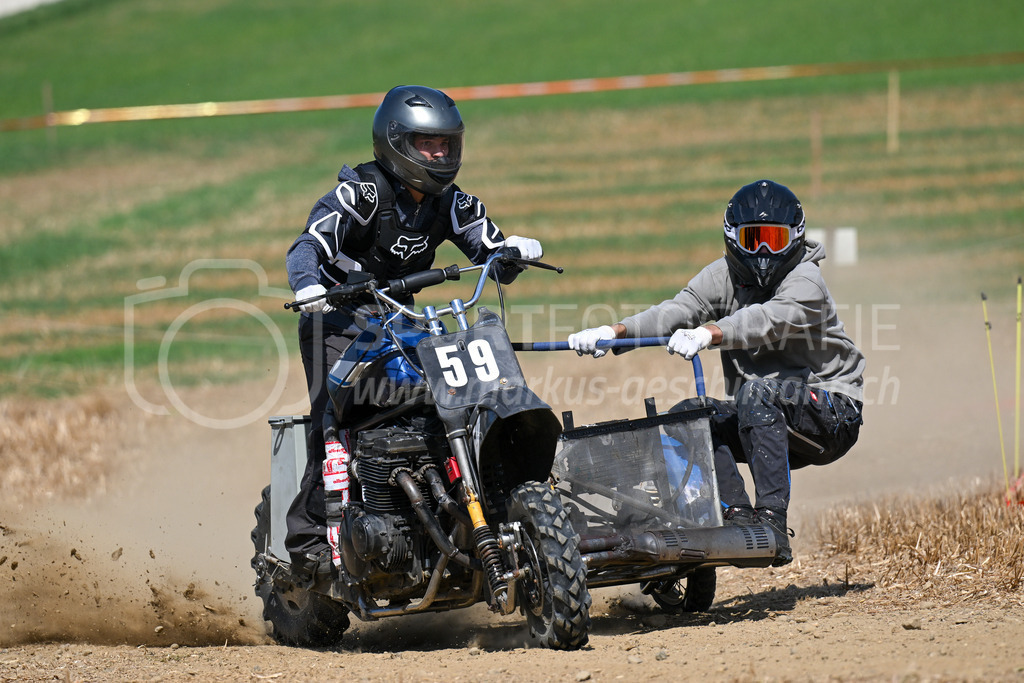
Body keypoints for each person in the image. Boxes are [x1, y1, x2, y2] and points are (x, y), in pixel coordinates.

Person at [285, 85, 544, 577]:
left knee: (446, 402)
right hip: (336, 320)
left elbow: (488, 250)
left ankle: (456, 513)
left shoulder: (450, 201)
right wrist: (307, 285)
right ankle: (309, 546)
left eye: (447, 144)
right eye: (429, 144)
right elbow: (307, 245)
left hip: (399, 320)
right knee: (335, 425)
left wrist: (511, 252)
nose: (441, 154)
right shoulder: (362, 193)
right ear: (396, 141)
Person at [567, 179, 864, 566]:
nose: (762, 251)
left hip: (831, 412)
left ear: (795, 238)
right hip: (765, 416)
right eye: (752, 238)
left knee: (756, 393)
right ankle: (738, 519)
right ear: (732, 238)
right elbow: (677, 309)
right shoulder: (722, 275)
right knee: (688, 417)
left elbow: (767, 320)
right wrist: (615, 332)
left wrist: (709, 332)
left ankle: (772, 523)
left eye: (773, 239)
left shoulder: (806, 280)